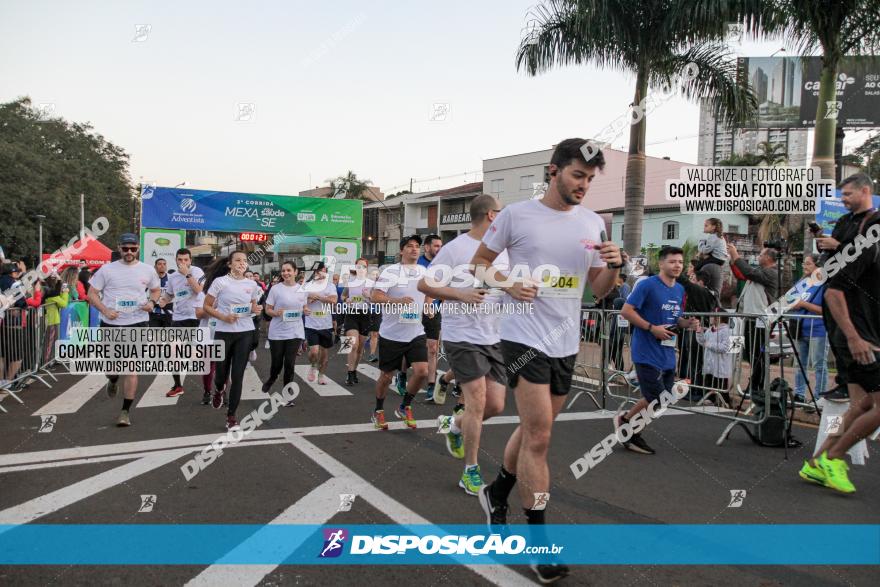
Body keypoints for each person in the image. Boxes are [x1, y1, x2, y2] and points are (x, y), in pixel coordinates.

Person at [471, 139, 621, 584]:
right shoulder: (518, 215)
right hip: (521, 335)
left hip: (565, 341)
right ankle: (540, 546)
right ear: (553, 172)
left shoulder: (594, 223)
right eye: (578, 176)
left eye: (591, 180)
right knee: (539, 437)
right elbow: (480, 265)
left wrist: (613, 265)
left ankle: (496, 492)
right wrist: (509, 284)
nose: (584, 186)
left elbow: (600, 289)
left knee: (535, 429)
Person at [417, 194, 509, 496]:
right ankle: (470, 470)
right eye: (502, 212)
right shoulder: (455, 248)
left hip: (493, 335)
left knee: (496, 405)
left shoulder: (503, 250)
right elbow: (425, 284)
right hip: (462, 335)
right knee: (478, 402)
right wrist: (460, 295)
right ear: (492, 216)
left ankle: (455, 425)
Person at [798, 199, 880, 494]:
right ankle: (833, 458)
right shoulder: (863, 252)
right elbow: (833, 295)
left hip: (860, 337)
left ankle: (817, 461)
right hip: (862, 339)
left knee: (859, 407)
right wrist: (854, 338)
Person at [620, 246, 700, 454]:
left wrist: (686, 323)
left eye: (680, 262)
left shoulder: (680, 290)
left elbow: (675, 319)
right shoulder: (647, 285)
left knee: (662, 399)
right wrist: (651, 328)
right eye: (672, 262)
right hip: (646, 352)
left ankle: (626, 421)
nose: (677, 266)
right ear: (661, 264)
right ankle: (632, 433)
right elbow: (626, 311)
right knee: (656, 397)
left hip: (667, 354)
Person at [87, 233, 161, 427]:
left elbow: (155, 290)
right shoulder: (106, 270)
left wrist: (152, 303)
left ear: (138, 248)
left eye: (133, 248)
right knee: (112, 367)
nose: (129, 252)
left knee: (131, 367)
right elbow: (91, 293)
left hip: (137, 322)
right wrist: (105, 309)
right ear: (119, 247)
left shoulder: (147, 270)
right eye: (125, 248)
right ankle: (112, 379)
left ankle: (125, 412)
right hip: (111, 324)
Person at [816, 172, 877, 402]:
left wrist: (839, 245)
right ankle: (845, 383)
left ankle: (859, 390)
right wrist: (826, 244)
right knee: (835, 335)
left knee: (848, 337)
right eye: (842, 195)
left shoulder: (873, 222)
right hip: (834, 286)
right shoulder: (843, 221)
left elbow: (867, 256)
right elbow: (836, 253)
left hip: (859, 295)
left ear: (865, 191)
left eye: (848, 194)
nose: (844, 199)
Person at [370, 235, 431, 430]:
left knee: (422, 372)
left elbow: (429, 290)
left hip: (415, 332)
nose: (415, 249)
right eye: (410, 246)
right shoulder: (391, 271)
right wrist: (396, 301)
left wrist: (428, 305)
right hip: (392, 334)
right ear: (402, 251)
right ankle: (378, 410)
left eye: (417, 247)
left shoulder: (423, 270)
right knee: (387, 377)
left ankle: (405, 406)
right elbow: (375, 296)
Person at [203, 251, 263, 430]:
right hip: (223, 332)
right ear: (229, 264)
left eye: (245, 260)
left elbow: (253, 306)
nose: (242, 263)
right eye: (238, 260)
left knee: (237, 376)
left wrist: (256, 309)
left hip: (245, 332)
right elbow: (206, 306)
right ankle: (219, 390)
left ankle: (231, 417)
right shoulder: (220, 282)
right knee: (221, 375)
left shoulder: (252, 284)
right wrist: (223, 317)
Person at [727, 244, 779, 393]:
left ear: (769, 258)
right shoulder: (761, 271)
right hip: (749, 319)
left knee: (758, 355)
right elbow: (741, 274)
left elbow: (748, 272)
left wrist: (736, 255)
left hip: (760, 321)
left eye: (761, 255)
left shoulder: (771, 273)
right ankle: (755, 384)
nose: (759, 257)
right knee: (751, 354)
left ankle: (757, 386)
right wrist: (732, 259)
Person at [160, 248, 205, 398]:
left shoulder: (197, 271)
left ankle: (211, 388)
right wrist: (162, 301)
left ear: (190, 260)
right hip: (178, 319)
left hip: (196, 317)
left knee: (200, 356)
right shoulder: (172, 277)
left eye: (186, 260)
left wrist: (187, 274)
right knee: (172, 352)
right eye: (180, 260)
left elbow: (199, 290)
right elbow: (170, 294)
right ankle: (178, 385)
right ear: (176, 260)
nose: (183, 262)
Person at [262, 261, 308, 403]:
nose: (285, 273)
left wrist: (306, 311)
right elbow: (267, 309)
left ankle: (287, 395)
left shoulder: (302, 289)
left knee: (289, 363)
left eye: (289, 270)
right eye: (283, 271)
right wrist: (275, 313)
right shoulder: (276, 289)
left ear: (295, 272)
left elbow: (304, 307)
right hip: (277, 332)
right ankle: (272, 377)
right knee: (277, 363)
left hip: (295, 331)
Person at [790, 254, 829, 403]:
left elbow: (825, 310)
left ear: (817, 266)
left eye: (808, 264)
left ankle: (820, 396)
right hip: (801, 329)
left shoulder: (825, 285)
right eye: (803, 264)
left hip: (818, 330)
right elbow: (791, 301)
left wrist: (804, 304)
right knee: (800, 364)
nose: (804, 266)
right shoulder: (803, 283)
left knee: (819, 364)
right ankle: (799, 394)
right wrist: (795, 303)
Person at [303, 262, 338, 384]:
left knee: (324, 354)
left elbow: (333, 300)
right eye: (320, 271)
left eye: (325, 271)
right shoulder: (307, 285)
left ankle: (321, 375)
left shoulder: (330, 286)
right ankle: (313, 366)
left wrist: (318, 297)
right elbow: (302, 301)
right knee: (314, 351)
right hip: (311, 324)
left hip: (326, 325)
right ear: (315, 272)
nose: (323, 273)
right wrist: (308, 299)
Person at [418, 234, 443, 398]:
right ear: (427, 247)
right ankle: (403, 373)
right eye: (436, 246)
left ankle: (431, 384)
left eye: (441, 246)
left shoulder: (443, 265)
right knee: (412, 346)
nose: (439, 249)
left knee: (433, 348)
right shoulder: (417, 263)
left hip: (434, 311)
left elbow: (444, 288)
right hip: (414, 311)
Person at [343, 258, 373, 386]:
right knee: (352, 344)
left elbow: (377, 301)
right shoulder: (350, 281)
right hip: (351, 314)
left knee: (360, 348)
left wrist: (369, 296)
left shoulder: (371, 283)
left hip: (365, 315)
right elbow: (343, 296)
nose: (361, 268)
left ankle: (354, 370)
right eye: (358, 266)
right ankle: (349, 373)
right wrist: (346, 300)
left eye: (363, 266)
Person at [695, 314, 734, 407]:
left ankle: (726, 401)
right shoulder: (709, 330)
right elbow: (702, 341)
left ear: (719, 318)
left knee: (721, 384)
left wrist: (709, 344)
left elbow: (725, 347)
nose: (710, 318)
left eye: (712, 316)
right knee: (710, 381)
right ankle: (711, 398)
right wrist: (699, 333)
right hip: (710, 362)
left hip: (721, 364)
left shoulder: (726, 331)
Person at [41, 275, 69, 365]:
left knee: (53, 341)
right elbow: (64, 304)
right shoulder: (52, 294)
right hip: (51, 320)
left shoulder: (51, 293)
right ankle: (46, 361)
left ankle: (52, 359)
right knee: (50, 341)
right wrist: (65, 293)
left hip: (52, 319)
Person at [695, 217, 728, 293]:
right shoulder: (717, 236)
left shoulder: (713, 237)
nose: (704, 227)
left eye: (706, 226)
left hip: (717, 258)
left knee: (696, 267)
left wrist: (701, 242)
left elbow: (705, 250)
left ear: (713, 227)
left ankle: (700, 283)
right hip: (719, 258)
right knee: (700, 262)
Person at [149, 259, 173, 328]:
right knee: (154, 337)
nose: (162, 266)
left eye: (164, 264)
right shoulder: (150, 278)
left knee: (167, 337)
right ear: (155, 266)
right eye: (159, 264)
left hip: (168, 312)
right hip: (154, 312)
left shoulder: (171, 278)